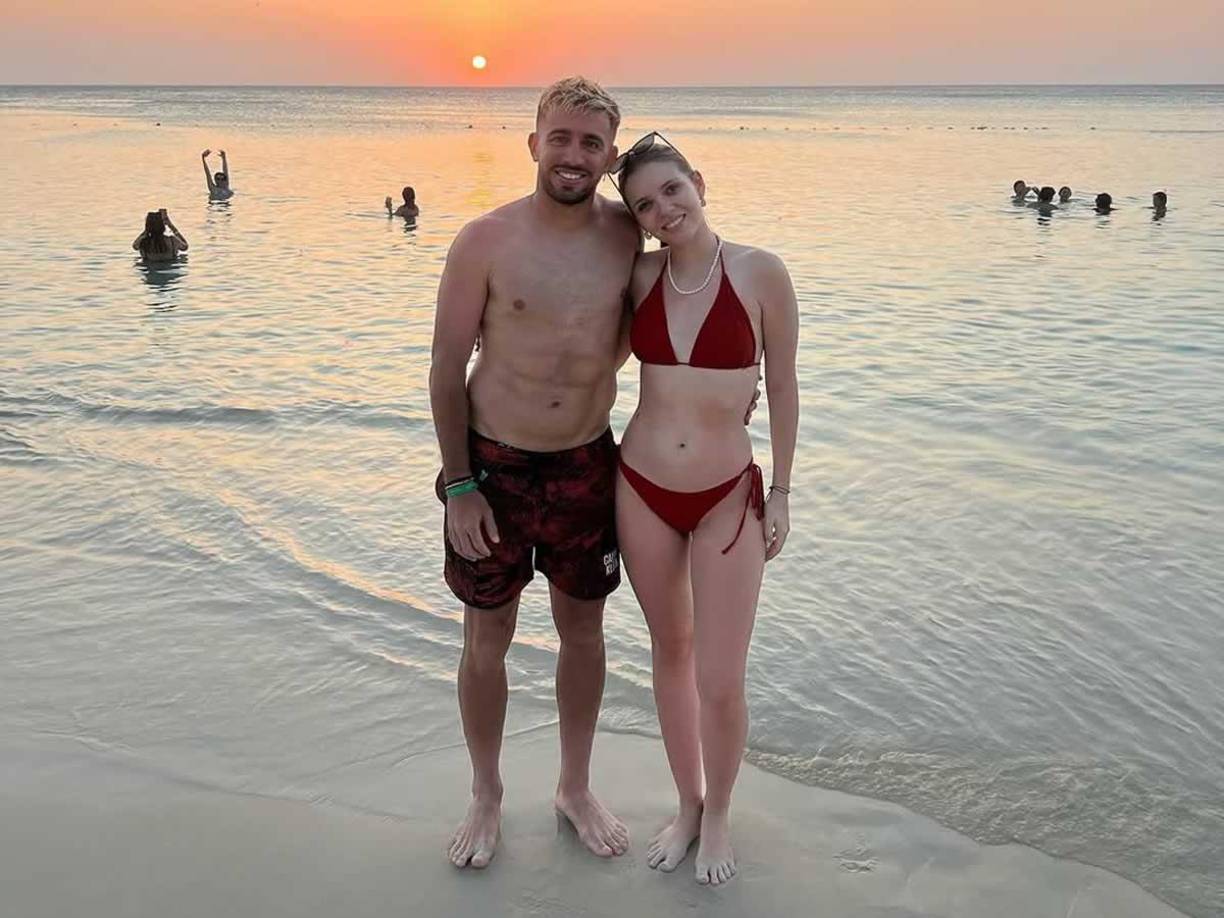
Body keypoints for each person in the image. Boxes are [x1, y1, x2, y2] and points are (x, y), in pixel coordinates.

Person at [429, 76, 639, 871]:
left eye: (591, 143)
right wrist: (459, 484)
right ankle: (486, 793)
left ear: (610, 155)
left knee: (583, 632)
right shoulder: (483, 239)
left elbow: (673, 306)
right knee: (488, 636)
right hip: (494, 468)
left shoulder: (627, 235)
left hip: (588, 462)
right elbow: (446, 368)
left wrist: (733, 392)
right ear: (533, 142)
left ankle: (574, 787)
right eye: (561, 137)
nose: (574, 154)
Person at [611, 134, 799, 886]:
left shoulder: (761, 273)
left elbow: (782, 388)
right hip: (641, 486)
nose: (664, 210)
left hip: (727, 495)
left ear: (699, 182)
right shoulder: (637, 278)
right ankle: (686, 803)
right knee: (671, 656)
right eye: (645, 205)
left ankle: (719, 810)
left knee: (721, 676)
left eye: (672, 191)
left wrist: (782, 490)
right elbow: (578, 347)